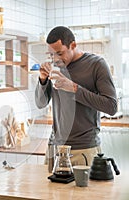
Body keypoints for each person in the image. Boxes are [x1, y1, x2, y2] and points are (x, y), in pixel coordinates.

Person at [35, 26, 117, 167]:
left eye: (59, 53)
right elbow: (40, 103)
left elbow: (111, 107)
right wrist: (42, 80)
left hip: (84, 149)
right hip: (55, 147)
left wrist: (74, 88)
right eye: (51, 54)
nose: (55, 59)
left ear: (73, 45)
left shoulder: (96, 64)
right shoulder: (56, 66)